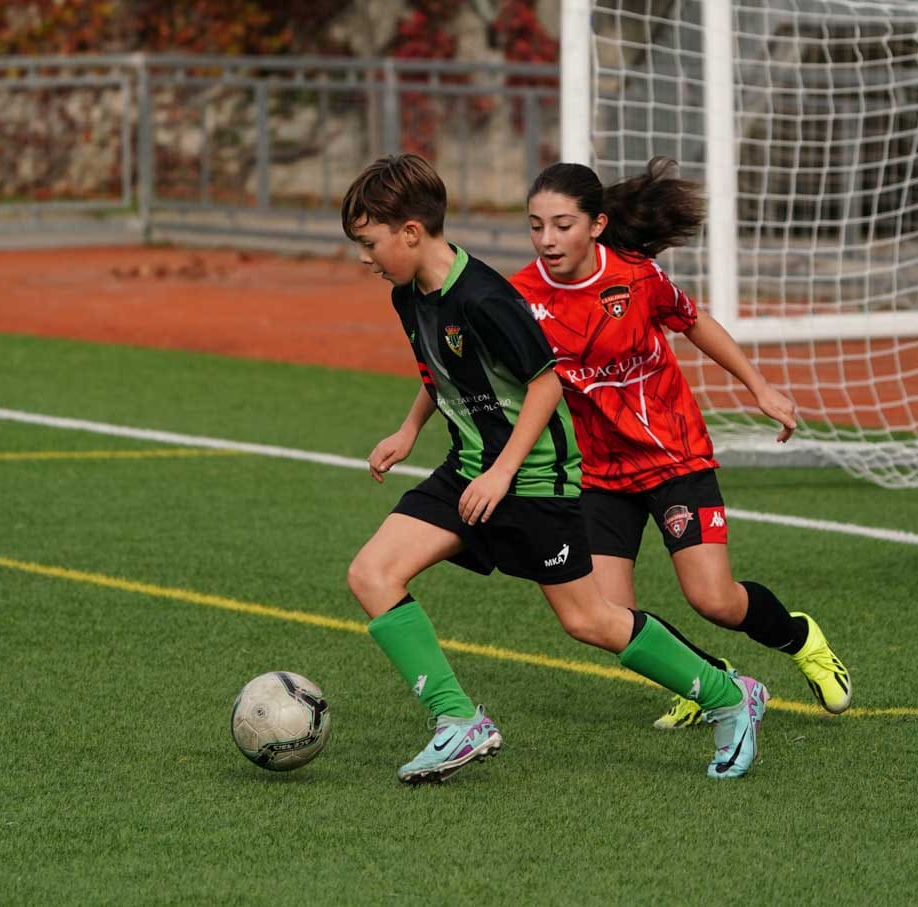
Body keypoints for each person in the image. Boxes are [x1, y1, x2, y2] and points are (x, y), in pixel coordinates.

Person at [343, 153, 768, 784]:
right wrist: (408, 430)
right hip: (470, 469)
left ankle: (729, 696)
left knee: (588, 620)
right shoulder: (409, 295)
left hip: (534, 478)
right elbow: (440, 371)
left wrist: (502, 474)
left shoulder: (486, 296)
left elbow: (545, 386)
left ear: (410, 232)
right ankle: (457, 720)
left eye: (370, 242)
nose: (364, 258)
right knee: (372, 573)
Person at [511, 157, 852, 730]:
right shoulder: (520, 295)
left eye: (562, 224)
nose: (547, 239)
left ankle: (801, 639)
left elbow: (693, 321)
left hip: (673, 455)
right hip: (598, 472)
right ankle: (710, 681)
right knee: (608, 615)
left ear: (596, 225)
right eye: (536, 225)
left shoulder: (636, 277)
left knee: (714, 599)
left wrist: (758, 386)